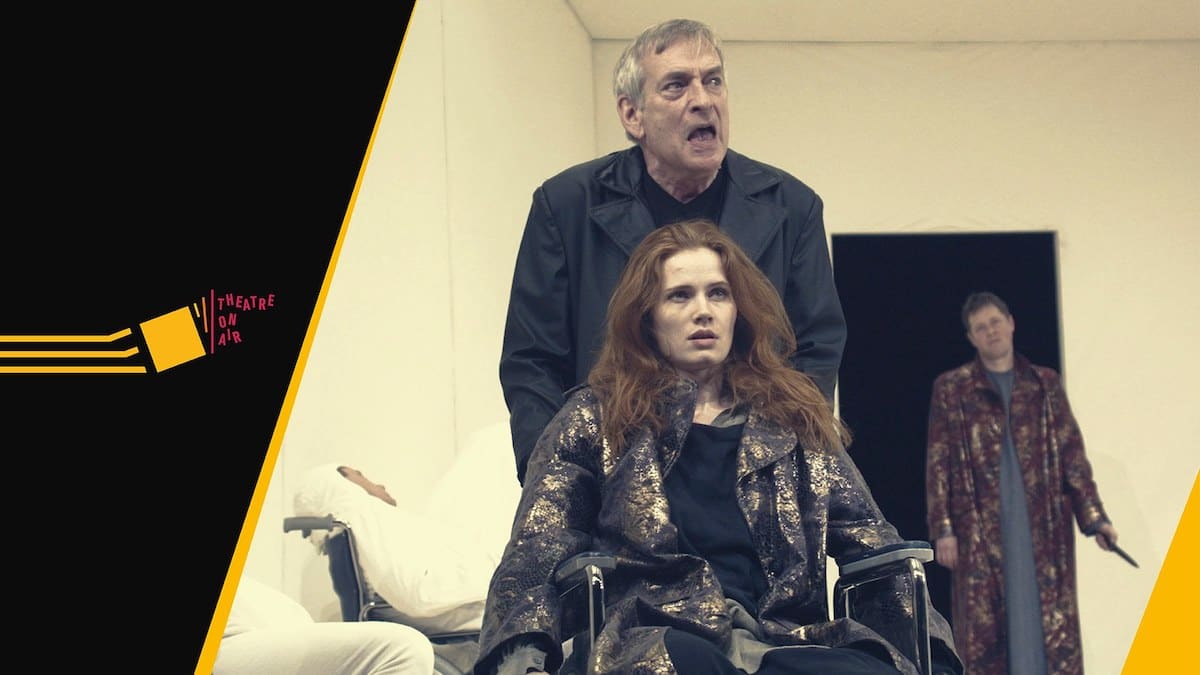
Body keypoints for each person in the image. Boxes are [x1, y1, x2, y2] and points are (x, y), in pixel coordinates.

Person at [475, 219, 960, 675]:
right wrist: (522, 660)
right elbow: (538, 546)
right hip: (653, 634)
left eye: (718, 293)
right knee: (689, 661)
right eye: (679, 296)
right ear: (647, 317)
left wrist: (933, 655)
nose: (703, 310)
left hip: (780, 636)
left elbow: (874, 543)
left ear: (738, 311)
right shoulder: (596, 415)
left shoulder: (792, 418)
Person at [499, 18, 847, 486]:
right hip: (612, 475)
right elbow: (532, 361)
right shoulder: (566, 206)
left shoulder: (793, 207)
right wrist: (557, 480)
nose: (703, 100)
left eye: (713, 81)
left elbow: (816, 351)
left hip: (747, 476)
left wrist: (783, 471)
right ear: (632, 115)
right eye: (677, 85)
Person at [924, 291, 1119, 675]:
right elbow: (939, 460)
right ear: (972, 338)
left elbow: (1071, 456)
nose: (991, 331)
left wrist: (1094, 518)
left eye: (996, 322)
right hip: (980, 528)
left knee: (1045, 621)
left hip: (1042, 526)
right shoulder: (953, 388)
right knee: (988, 630)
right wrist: (943, 528)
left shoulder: (1044, 384)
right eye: (981, 327)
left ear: (1011, 323)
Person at [214, 575, 434, 674]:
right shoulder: (359, 509)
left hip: (253, 629)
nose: (389, 496)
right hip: (223, 643)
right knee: (403, 650)